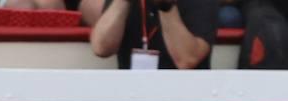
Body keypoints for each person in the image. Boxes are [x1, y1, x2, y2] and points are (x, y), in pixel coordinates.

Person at [87, 0, 218, 67]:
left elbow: (187, 60)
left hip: (183, 98)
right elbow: (101, 48)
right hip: (132, 95)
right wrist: (122, 2)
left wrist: (166, 7)